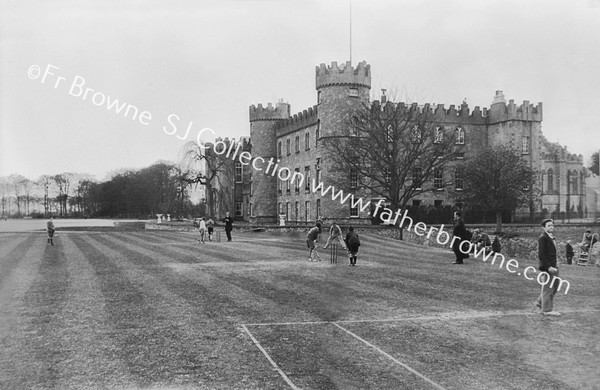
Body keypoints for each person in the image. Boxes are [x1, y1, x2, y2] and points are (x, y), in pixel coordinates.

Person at [535, 219, 560, 316]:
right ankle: (547, 310)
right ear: (544, 227)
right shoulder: (543, 238)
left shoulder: (552, 237)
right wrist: (548, 267)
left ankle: (540, 302)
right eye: (549, 225)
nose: (551, 227)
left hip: (555, 265)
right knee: (548, 287)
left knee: (556, 286)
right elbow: (541, 255)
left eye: (552, 225)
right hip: (548, 267)